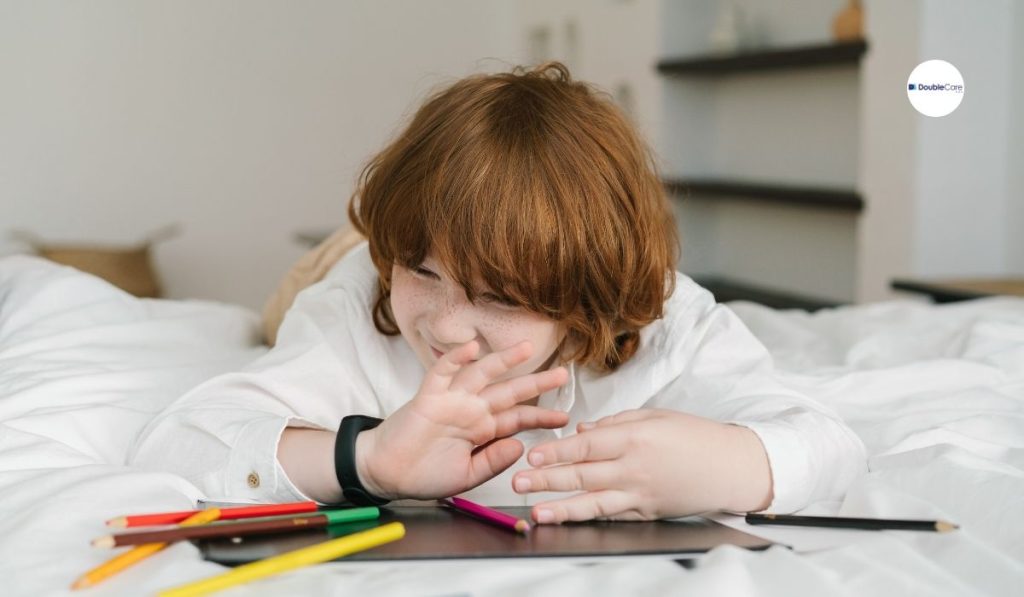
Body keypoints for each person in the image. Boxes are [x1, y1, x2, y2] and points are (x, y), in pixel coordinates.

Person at [129, 62, 866, 523]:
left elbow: (832, 446)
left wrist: (725, 466)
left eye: (501, 295)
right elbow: (181, 439)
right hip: (339, 263)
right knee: (303, 291)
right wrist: (370, 458)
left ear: (587, 298)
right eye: (424, 270)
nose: (449, 328)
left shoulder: (670, 321)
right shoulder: (363, 304)